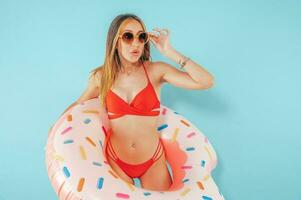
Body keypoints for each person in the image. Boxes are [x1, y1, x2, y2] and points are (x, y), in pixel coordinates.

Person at [56, 13, 214, 191]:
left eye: (141, 36)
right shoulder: (102, 76)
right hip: (116, 159)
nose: (136, 43)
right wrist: (54, 134)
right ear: (115, 41)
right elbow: (78, 106)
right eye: (128, 36)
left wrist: (169, 51)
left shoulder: (156, 72)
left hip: (152, 161)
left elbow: (205, 81)